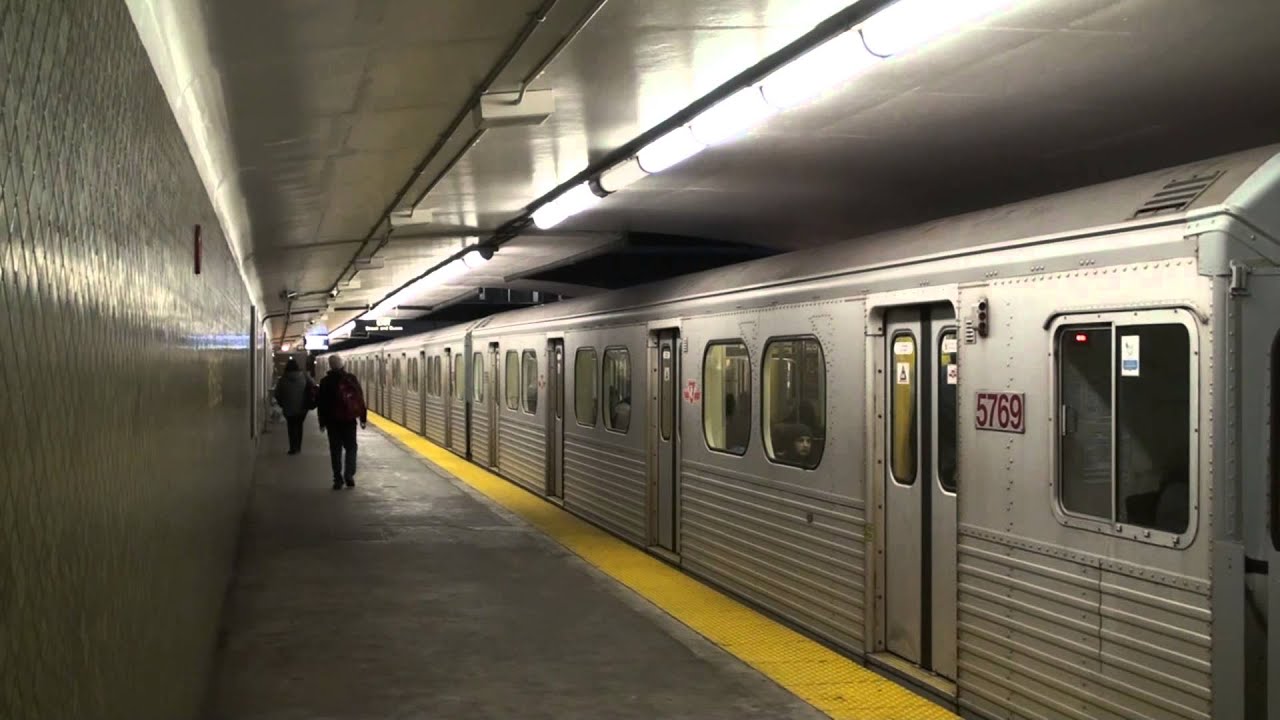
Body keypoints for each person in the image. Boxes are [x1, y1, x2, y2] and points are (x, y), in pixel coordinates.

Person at [317, 354, 368, 490]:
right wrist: (363, 418)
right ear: (343, 364)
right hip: (349, 420)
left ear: (330, 366)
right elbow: (359, 399)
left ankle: (337, 479)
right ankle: (349, 475)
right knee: (351, 448)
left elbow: (321, 404)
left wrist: (321, 422)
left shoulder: (325, 381)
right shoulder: (351, 379)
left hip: (332, 422)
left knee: (335, 450)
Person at [273, 358, 316, 455]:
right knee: (299, 426)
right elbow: (314, 386)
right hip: (302, 407)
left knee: (291, 427)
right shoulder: (304, 376)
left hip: (288, 408)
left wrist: (282, 403)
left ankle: (292, 448)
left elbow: (277, 394)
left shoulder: (282, 379)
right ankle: (298, 447)